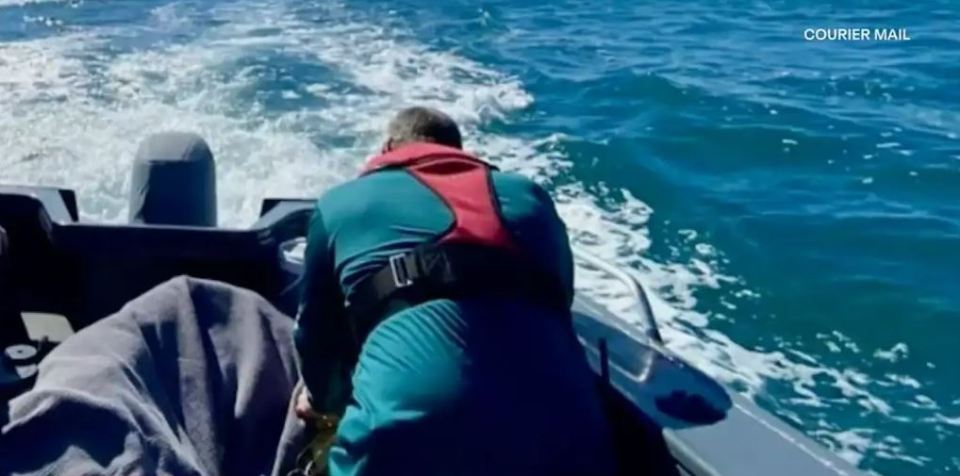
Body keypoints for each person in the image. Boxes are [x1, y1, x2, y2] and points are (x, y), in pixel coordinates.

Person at [293, 107, 616, 475]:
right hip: (570, 429)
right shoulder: (532, 197)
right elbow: (562, 302)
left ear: (387, 149)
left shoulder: (340, 202)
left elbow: (317, 337)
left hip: (403, 437)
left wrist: (324, 404)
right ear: (459, 150)